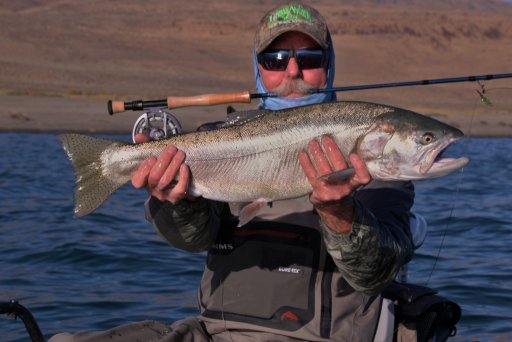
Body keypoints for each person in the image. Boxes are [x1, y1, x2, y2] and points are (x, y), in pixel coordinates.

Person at [50, 3, 414, 341]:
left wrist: (340, 213)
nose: (292, 71)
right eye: (274, 59)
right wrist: (178, 202)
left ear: (329, 65)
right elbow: (192, 240)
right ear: (258, 69)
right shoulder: (215, 137)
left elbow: (375, 273)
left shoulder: (376, 167)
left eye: (309, 57)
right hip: (213, 333)